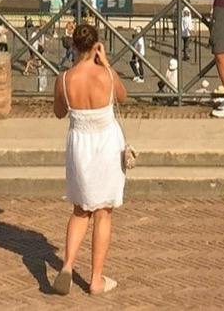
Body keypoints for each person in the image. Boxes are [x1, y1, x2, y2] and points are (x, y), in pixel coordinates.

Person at [52, 23, 127, 297]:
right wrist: (106, 63)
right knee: (103, 211)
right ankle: (96, 279)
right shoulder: (106, 75)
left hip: (80, 145)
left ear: (73, 46)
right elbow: (123, 97)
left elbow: (59, 112)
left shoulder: (64, 78)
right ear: (96, 46)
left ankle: (68, 265)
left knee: (80, 210)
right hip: (106, 144)